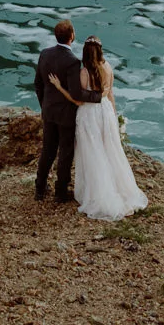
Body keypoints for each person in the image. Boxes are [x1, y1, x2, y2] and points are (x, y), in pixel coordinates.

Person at [46, 34, 149, 221]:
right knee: (110, 150)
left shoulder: (84, 72)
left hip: (90, 114)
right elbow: (111, 95)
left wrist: (60, 87)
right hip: (106, 112)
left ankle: (98, 194)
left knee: (93, 153)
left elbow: (78, 100)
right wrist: (114, 117)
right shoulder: (108, 67)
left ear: (85, 52)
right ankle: (121, 190)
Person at [34, 19, 101, 202]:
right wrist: (97, 96)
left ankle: (40, 188)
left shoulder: (44, 54)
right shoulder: (72, 62)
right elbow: (76, 93)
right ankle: (60, 192)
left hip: (49, 111)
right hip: (66, 115)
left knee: (48, 150)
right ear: (72, 36)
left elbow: (38, 84)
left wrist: (44, 106)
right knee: (65, 152)